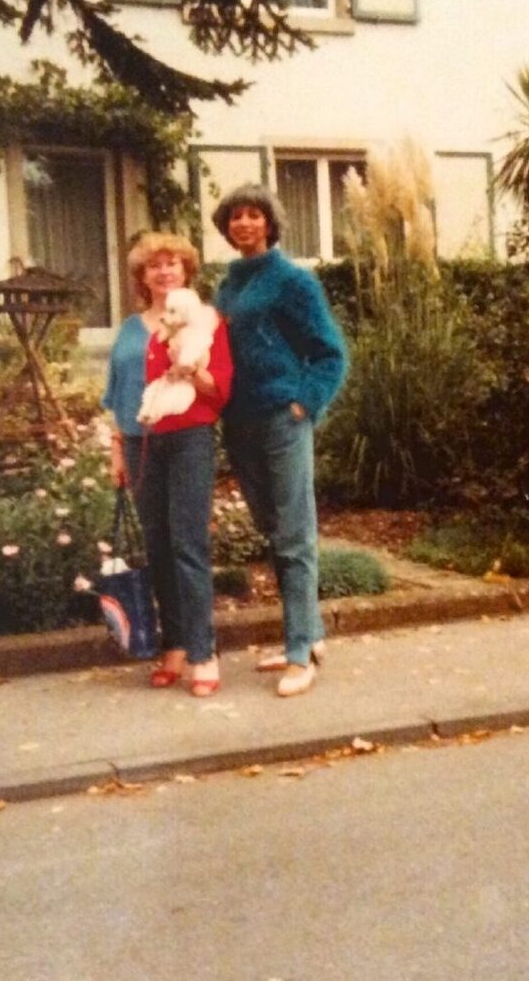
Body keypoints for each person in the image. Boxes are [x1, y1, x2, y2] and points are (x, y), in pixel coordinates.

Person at [211, 185, 347, 697]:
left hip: (281, 418)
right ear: (226, 228)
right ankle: (310, 635)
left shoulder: (293, 280)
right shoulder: (227, 286)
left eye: (254, 215)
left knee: (294, 533)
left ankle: (298, 654)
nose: (244, 223)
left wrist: (303, 403)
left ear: (270, 223)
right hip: (239, 422)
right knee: (273, 529)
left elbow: (330, 353)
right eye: (235, 216)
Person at [102, 232, 232, 697]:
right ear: (142, 276)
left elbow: (220, 389)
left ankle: (203, 651)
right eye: (153, 265)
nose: (164, 272)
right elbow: (117, 395)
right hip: (140, 444)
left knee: (188, 545)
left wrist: (192, 370)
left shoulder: (205, 322)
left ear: (186, 270)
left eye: (172, 263)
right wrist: (117, 451)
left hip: (189, 439)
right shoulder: (130, 330)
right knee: (158, 546)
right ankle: (174, 645)